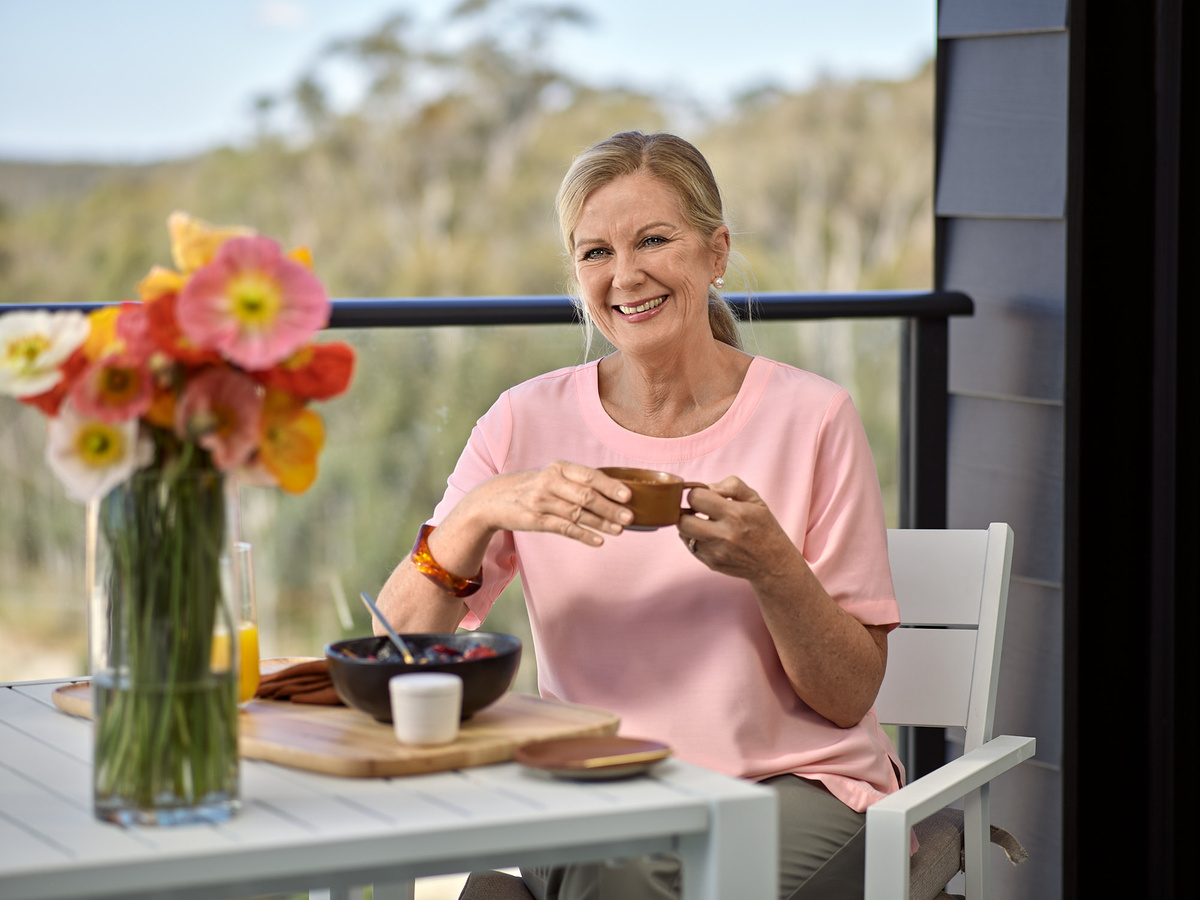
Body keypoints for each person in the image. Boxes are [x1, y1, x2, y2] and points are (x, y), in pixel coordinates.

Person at [376, 131, 904, 900]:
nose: (625, 276)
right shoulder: (523, 420)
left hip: (791, 786)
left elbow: (848, 695)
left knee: (603, 873)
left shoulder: (814, 417)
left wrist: (774, 570)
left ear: (716, 253)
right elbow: (392, 654)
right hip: (595, 787)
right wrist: (478, 514)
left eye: (653, 240)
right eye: (596, 252)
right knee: (597, 861)